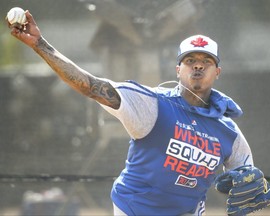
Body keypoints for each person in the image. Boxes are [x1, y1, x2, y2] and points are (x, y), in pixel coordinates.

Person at [8, 10, 256, 216]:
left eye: (207, 61)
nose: (199, 65)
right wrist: (39, 44)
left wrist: (243, 188)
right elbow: (90, 85)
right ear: (178, 69)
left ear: (217, 72)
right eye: (191, 60)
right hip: (135, 210)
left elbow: (246, 187)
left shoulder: (228, 132)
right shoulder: (151, 104)